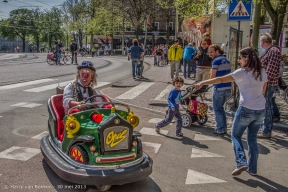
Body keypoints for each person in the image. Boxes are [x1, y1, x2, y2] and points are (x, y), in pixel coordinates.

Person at [192, 47, 268, 176]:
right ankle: (253, 169)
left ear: (246, 58)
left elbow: (220, 79)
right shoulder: (262, 71)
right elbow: (263, 90)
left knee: (236, 135)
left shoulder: (241, 73)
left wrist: (202, 82)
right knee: (252, 139)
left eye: (240, 58)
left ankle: (241, 162)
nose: (238, 61)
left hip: (246, 108)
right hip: (260, 110)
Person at [257, 33, 281, 139]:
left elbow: (270, 71)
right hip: (266, 83)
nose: (259, 43)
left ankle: (266, 131)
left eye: (260, 41)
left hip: (268, 84)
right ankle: (265, 129)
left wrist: (264, 84)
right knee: (266, 107)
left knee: (267, 107)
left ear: (263, 41)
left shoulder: (273, 51)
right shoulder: (271, 51)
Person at [208, 44, 232, 136]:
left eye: (211, 52)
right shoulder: (227, 60)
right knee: (221, 108)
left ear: (217, 51)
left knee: (217, 108)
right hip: (228, 87)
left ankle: (220, 129)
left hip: (219, 87)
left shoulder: (216, 61)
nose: (210, 54)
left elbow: (212, 77)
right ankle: (223, 127)